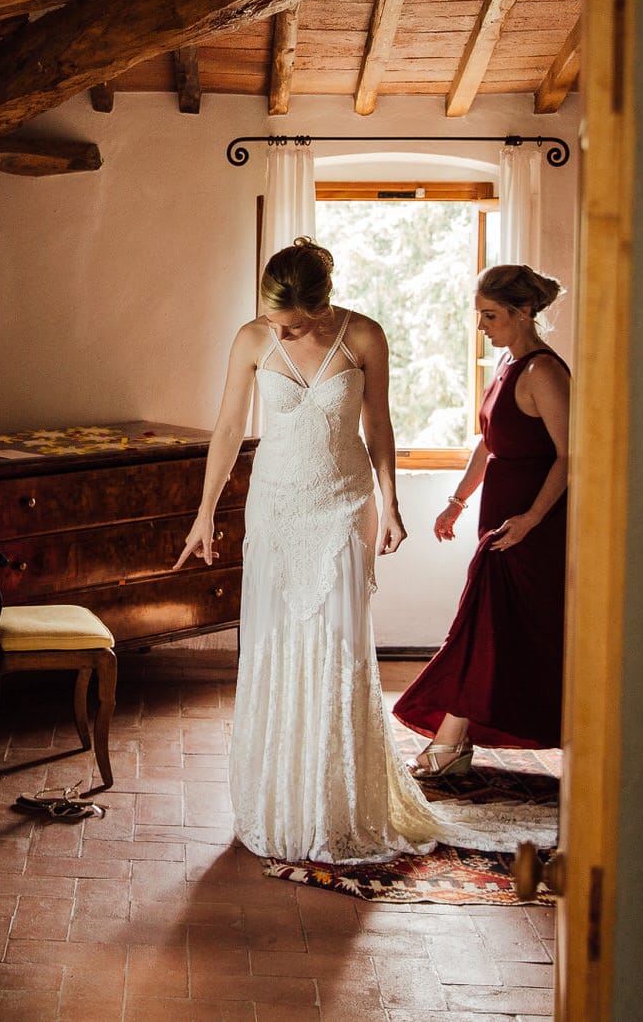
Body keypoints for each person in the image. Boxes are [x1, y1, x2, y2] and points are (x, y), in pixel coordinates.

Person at [174, 238, 448, 862]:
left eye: (294, 322)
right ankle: (279, 802)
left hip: (345, 508)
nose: (283, 329)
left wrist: (394, 504)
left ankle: (336, 805)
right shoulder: (250, 339)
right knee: (274, 649)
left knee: (338, 651)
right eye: (275, 318)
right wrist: (204, 512)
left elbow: (379, 423)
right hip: (274, 509)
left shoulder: (365, 337)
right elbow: (227, 428)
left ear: (323, 307)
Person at [393, 263, 571, 774]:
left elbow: (569, 456)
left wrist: (532, 519)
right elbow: (488, 441)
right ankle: (455, 744)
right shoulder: (507, 367)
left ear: (522, 313)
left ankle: (450, 743)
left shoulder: (544, 372)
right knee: (492, 630)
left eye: (491, 316)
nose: (482, 326)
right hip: (500, 522)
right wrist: (457, 500)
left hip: (530, 530)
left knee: (488, 628)